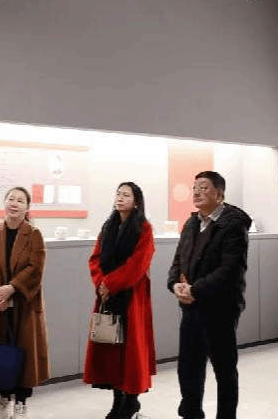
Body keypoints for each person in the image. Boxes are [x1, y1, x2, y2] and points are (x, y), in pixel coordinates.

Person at [166, 171, 252, 419]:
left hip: (219, 309)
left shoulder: (232, 224)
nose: (196, 192)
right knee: (188, 368)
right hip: (190, 307)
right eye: (194, 187)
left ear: (219, 194)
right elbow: (178, 260)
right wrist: (175, 284)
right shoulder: (192, 223)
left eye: (204, 188)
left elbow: (230, 270)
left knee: (224, 371)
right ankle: (191, 413)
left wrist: (196, 289)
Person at [0, 187, 50, 419]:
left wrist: (12, 288)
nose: (14, 203)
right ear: (4, 203)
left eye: (20, 201)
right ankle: (3, 401)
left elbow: (35, 267)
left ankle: (21, 405)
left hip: (24, 304)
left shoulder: (34, 234)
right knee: (0, 353)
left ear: (27, 207)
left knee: (24, 355)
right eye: (11, 199)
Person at [83, 182, 157, 419]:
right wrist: (101, 283)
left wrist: (111, 284)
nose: (120, 197)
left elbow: (139, 263)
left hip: (131, 296)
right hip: (106, 295)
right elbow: (95, 258)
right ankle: (117, 402)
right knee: (111, 349)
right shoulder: (108, 226)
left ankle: (131, 402)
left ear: (136, 202)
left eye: (126, 195)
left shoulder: (144, 228)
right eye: (118, 193)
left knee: (131, 351)